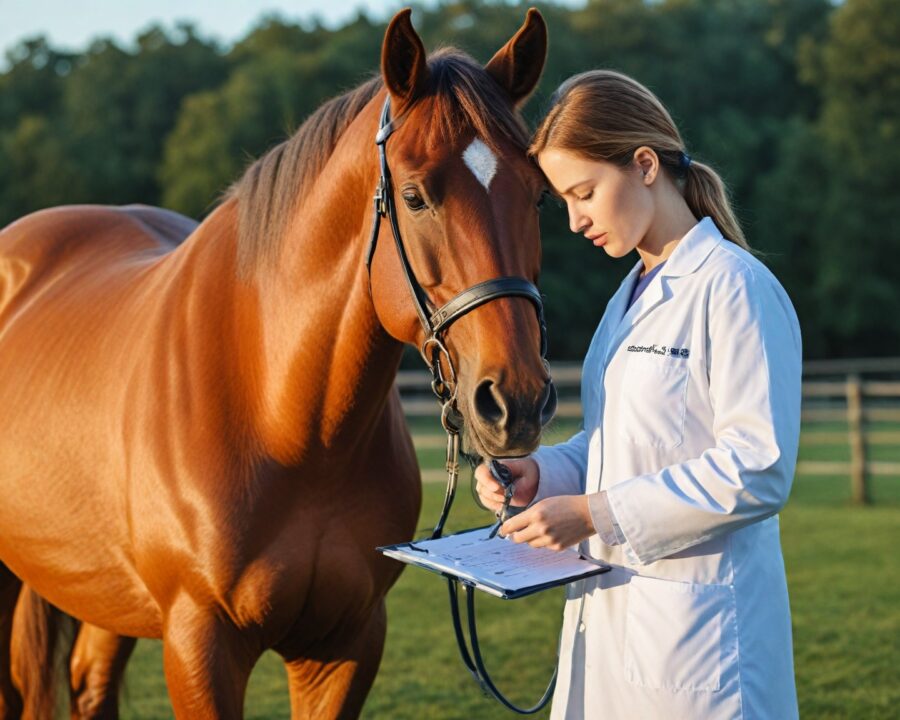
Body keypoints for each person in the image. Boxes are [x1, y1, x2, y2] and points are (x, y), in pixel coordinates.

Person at [475, 70, 801, 719]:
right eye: (563, 201)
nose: (574, 221)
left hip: (702, 645)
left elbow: (759, 467)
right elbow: (619, 439)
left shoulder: (733, 287)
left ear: (644, 164)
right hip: (620, 627)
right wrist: (544, 472)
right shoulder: (630, 295)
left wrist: (594, 514)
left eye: (584, 193)